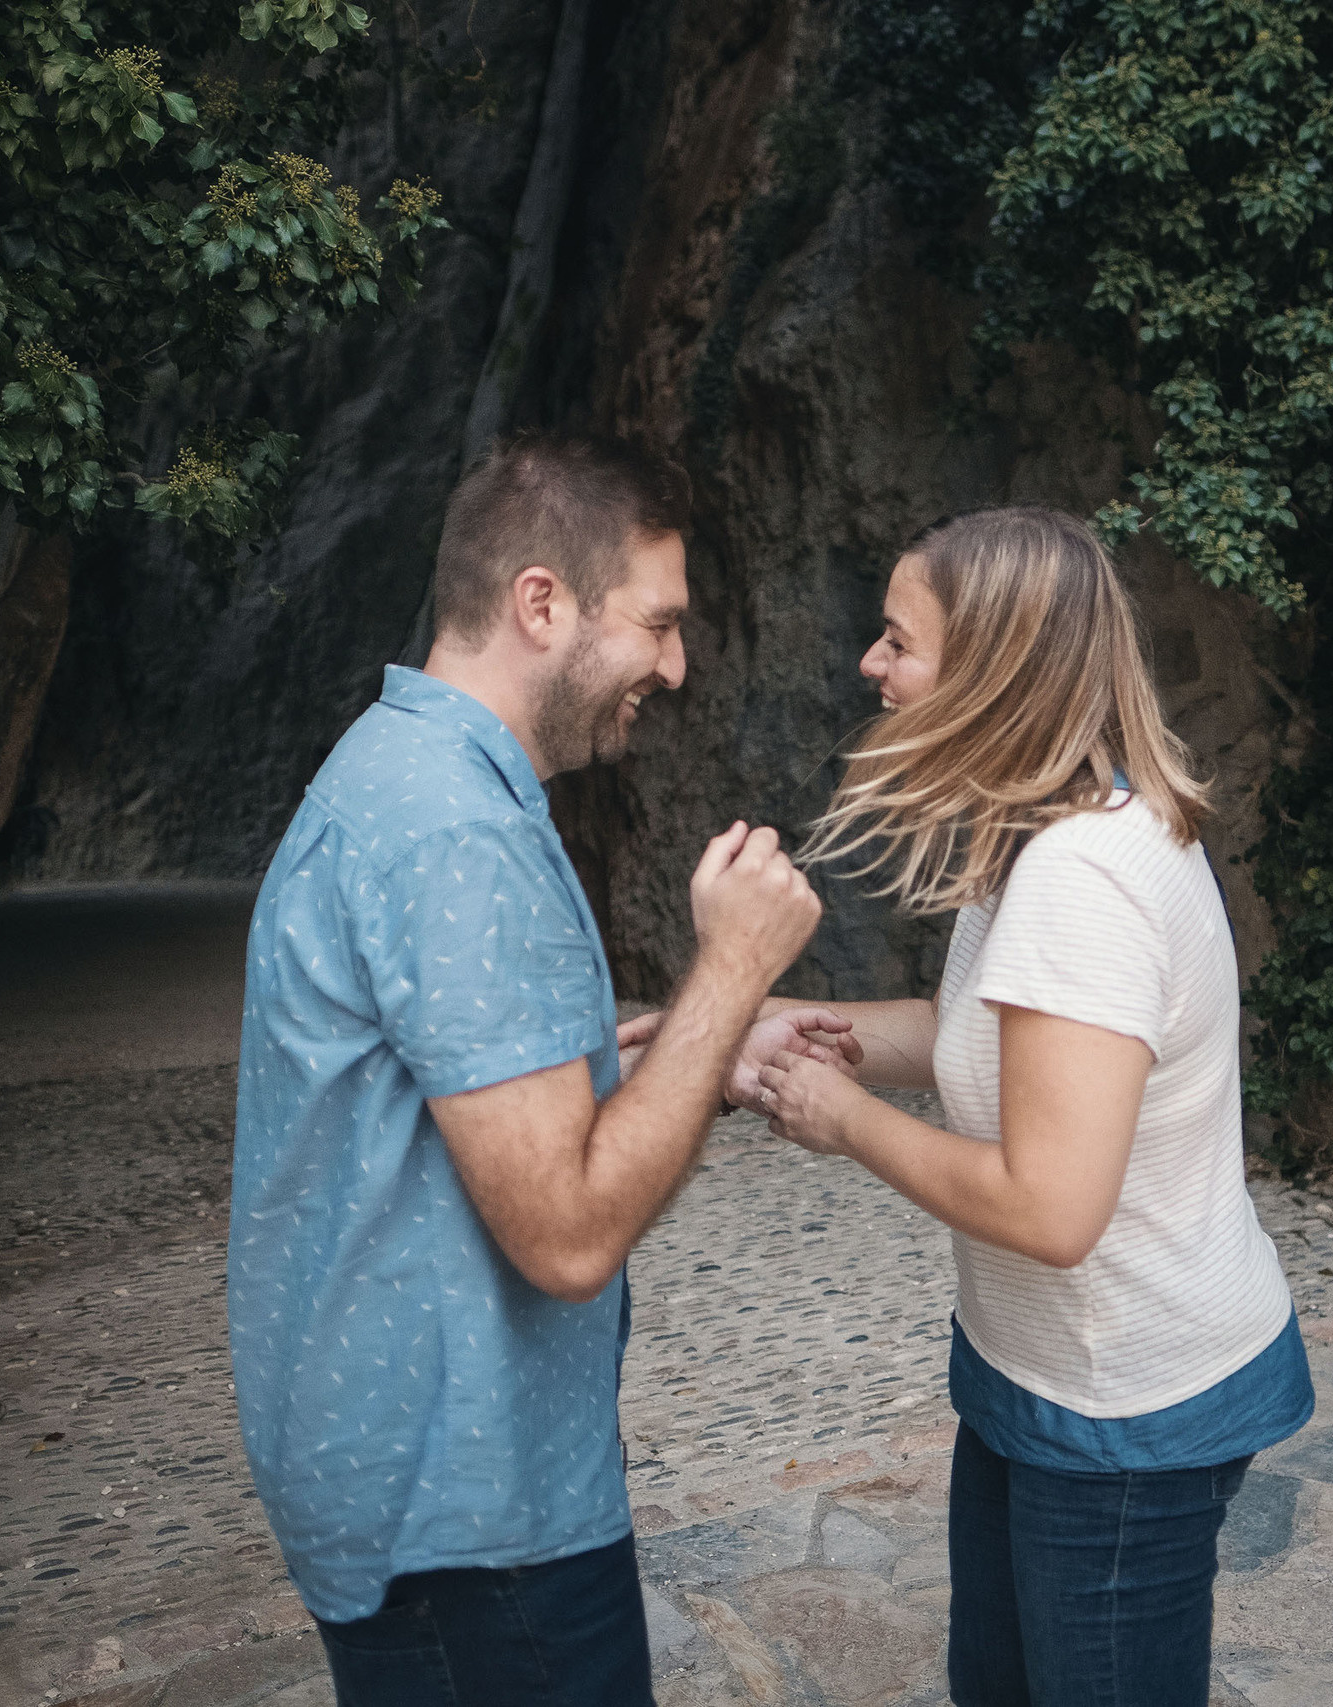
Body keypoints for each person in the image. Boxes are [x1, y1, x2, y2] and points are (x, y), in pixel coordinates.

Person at [228, 430, 849, 1706]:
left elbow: (464, 1085)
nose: (676, 667)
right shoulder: (457, 833)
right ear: (540, 603)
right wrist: (731, 970)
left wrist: (699, 1043)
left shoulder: (404, 769)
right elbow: (566, 1235)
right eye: (660, 623)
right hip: (474, 1526)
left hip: (409, 1488)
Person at [750, 507, 1316, 1707]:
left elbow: (1053, 1207)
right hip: (1038, 1379)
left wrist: (841, 1118)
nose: (872, 663)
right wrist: (801, 1029)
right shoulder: (1045, 828)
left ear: (990, 672)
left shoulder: (1082, 880)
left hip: (1124, 1414)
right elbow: (992, 1039)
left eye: (897, 641)